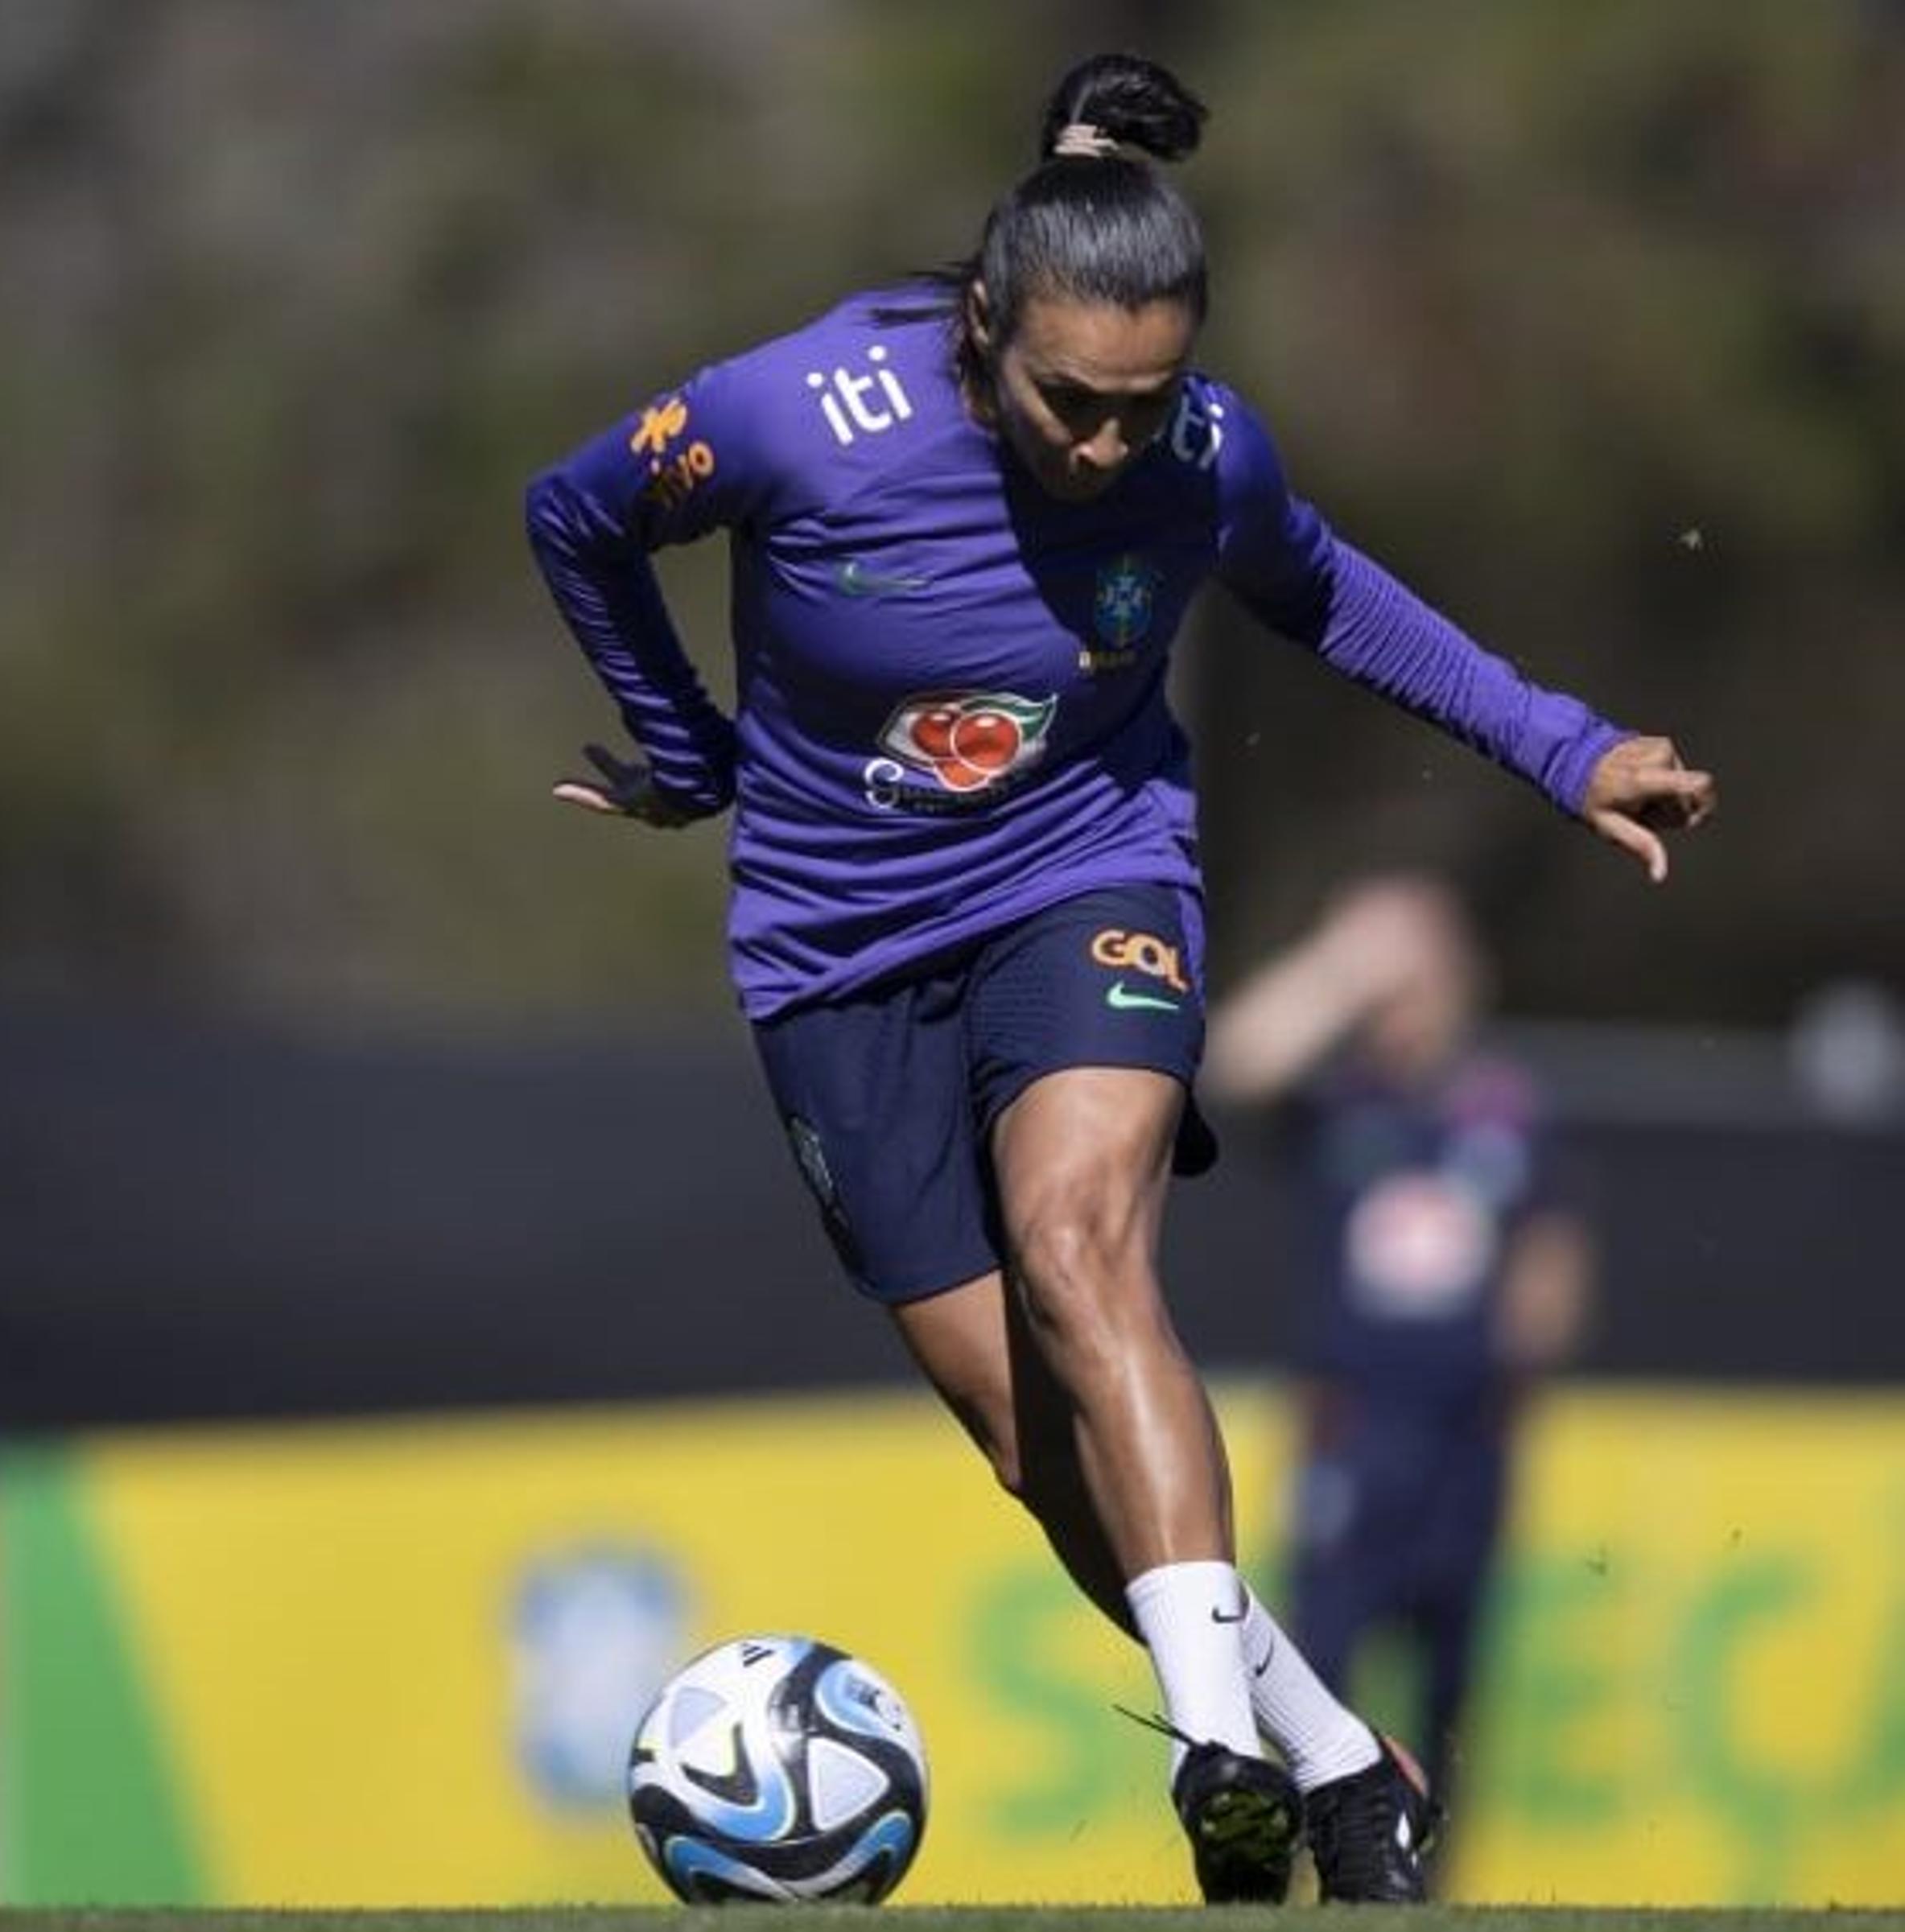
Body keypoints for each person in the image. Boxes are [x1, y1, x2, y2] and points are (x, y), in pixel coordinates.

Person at [522, 51, 1714, 1906]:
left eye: (1138, 408)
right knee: (1020, 1423)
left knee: (1079, 1248)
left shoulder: (1199, 454)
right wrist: (684, 752)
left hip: (1083, 870)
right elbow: (573, 514)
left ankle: (1215, 1749)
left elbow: (1325, 593)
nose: (1102, 449)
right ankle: (1335, 1762)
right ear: (983, 324)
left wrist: (1559, 749)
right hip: (833, 950)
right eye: (1068, 404)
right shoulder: (798, 414)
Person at [1205, 874, 1595, 1880]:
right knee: (1315, 1669)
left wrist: (1524, 1353)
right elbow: (1236, 1064)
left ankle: (1420, 1882)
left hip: (1467, 1440)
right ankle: (1296, 1870)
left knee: (1451, 1685)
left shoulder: (1502, 1108)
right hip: (1356, 1429)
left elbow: (1552, 1252)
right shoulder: (1339, 1103)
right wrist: (1343, 964)